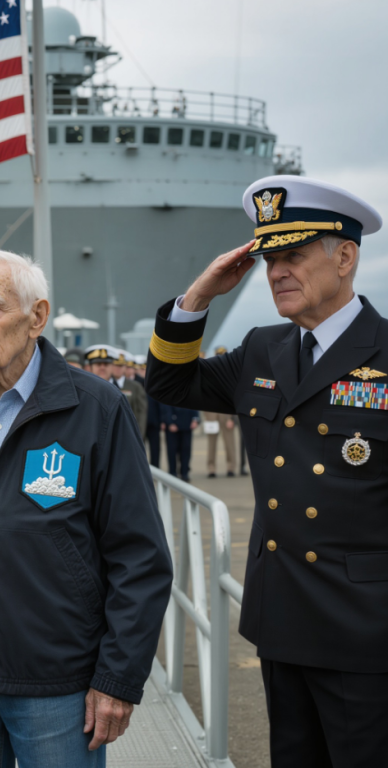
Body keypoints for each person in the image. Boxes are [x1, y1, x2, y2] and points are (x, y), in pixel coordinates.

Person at [0, 249, 172, 768]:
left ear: (37, 317)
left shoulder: (96, 410)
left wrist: (117, 678)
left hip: (59, 688)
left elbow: (140, 557)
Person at [145, 175, 386, 768]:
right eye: (269, 259)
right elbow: (169, 382)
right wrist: (200, 295)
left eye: (293, 256)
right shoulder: (263, 349)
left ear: (346, 257)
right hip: (282, 619)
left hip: (365, 630)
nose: (277, 271)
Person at [85, 345, 147, 428]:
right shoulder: (84, 389)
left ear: (111, 366)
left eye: (106, 364)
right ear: (90, 367)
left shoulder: (120, 389)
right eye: (98, 364)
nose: (102, 367)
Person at [202, 346, 238, 478]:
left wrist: (232, 418)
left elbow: (235, 396)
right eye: (218, 355)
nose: (220, 357)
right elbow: (203, 395)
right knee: (211, 443)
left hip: (226, 413)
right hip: (211, 413)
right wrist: (206, 416)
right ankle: (211, 468)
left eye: (222, 355)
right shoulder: (208, 372)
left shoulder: (230, 373)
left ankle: (231, 467)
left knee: (230, 443)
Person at [159, 404, 199, 482]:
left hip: (186, 425)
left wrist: (195, 419)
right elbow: (165, 406)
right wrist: (169, 422)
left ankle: (184, 472)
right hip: (171, 426)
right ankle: (172, 472)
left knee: (186, 450)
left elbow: (194, 403)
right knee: (172, 450)